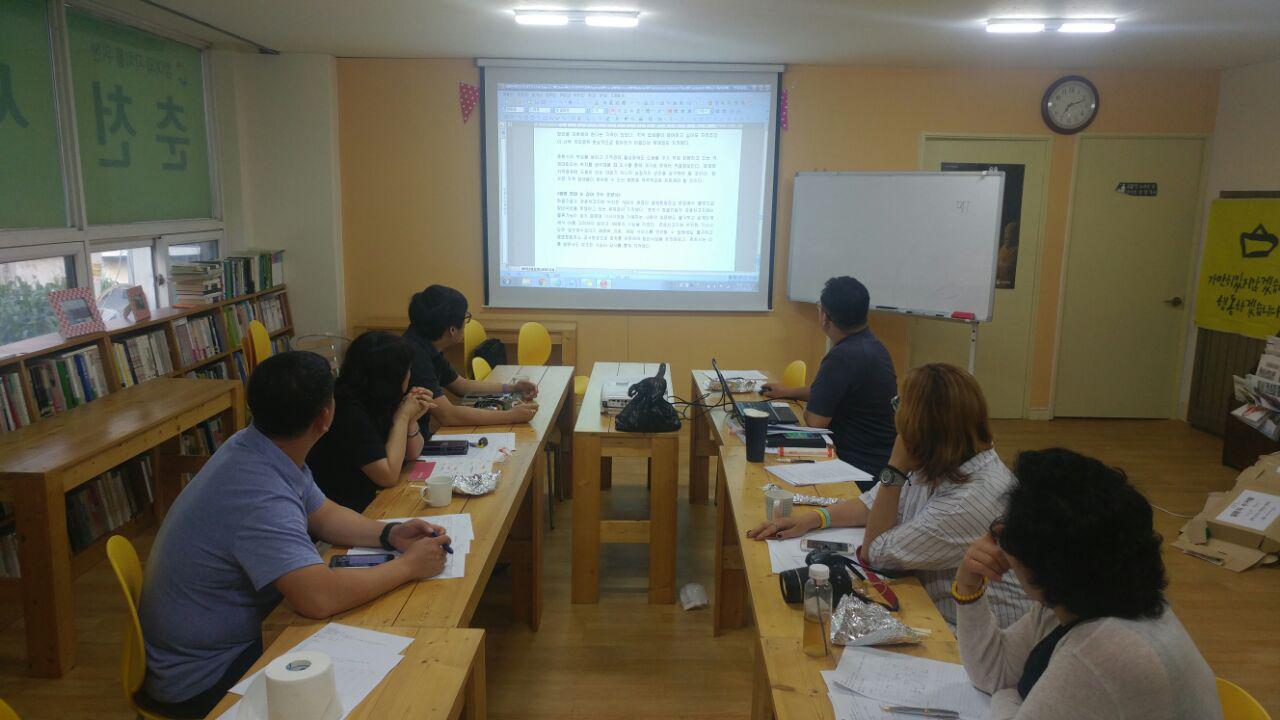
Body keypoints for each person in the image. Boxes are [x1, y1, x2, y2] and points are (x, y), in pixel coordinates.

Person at [137, 352, 454, 718]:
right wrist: (409, 566)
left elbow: (324, 514)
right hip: (204, 677)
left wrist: (391, 534)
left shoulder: (255, 444)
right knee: (395, 681)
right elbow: (318, 598)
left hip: (217, 645)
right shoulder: (258, 492)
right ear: (325, 416)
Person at [749, 363, 1034, 628]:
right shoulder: (947, 457)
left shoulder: (966, 501)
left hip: (970, 634)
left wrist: (895, 469)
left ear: (922, 427)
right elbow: (870, 505)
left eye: (899, 405)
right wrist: (812, 519)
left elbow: (876, 554)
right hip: (938, 605)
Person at [954, 449, 1221, 719]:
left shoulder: (1101, 652)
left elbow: (1002, 687)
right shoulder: (1089, 594)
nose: (998, 541)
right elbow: (995, 673)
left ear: (1040, 564)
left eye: (1005, 531)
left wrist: (1007, 696)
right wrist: (968, 587)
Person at [761, 276, 896, 482]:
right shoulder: (873, 346)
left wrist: (811, 407)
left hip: (855, 466)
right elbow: (831, 393)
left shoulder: (843, 357)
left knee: (767, 466)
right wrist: (788, 392)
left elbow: (815, 422)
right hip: (880, 462)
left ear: (825, 318)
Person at [307, 332, 434, 513]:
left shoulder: (381, 395)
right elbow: (388, 476)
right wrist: (403, 417)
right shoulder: (347, 410)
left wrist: (411, 419)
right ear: (392, 376)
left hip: (372, 497)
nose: (409, 375)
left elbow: (413, 453)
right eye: (407, 369)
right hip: (350, 508)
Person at [403, 285, 539, 429]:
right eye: (465, 317)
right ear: (452, 330)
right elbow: (449, 416)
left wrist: (513, 388)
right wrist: (511, 416)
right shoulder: (415, 357)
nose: (465, 323)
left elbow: (462, 386)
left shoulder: (424, 341)